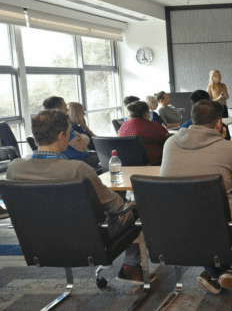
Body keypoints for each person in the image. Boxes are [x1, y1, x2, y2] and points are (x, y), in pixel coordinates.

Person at [6, 109, 144, 284]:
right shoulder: (77, 169)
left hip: (39, 242)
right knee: (135, 206)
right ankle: (130, 267)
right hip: (87, 241)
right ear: (61, 135)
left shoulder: (15, 168)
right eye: (69, 131)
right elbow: (116, 206)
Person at [160, 99, 232, 293]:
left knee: (199, 218)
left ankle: (213, 273)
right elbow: (231, 177)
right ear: (218, 124)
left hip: (172, 227)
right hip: (218, 229)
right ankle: (218, 270)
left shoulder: (170, 143)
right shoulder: (229, 148)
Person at [42, 97, 99, 169]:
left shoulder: (44, 125)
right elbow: (83, 148)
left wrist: (83, 135)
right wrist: (85, 137)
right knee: (109, 157)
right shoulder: (62, 126)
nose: (67, 109)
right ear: (58, 109)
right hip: (77, 162)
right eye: (65, 107)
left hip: (65, 162)